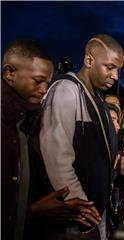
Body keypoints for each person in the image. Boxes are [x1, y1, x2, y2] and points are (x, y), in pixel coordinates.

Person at [1, 39, 98, 240]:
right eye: (38, 81)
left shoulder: (29, 118)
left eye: (48, 82)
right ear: (9, 73)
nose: (45, 89)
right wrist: (33, 211)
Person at [40, 34, 124, 239]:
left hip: (95, 211)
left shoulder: (97, 98)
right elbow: (57, 159)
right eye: (110, 67)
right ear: (89, 60)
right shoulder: (66, 90)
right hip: (77, 217)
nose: (116, 76)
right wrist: (83, 213)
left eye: (119, 70)